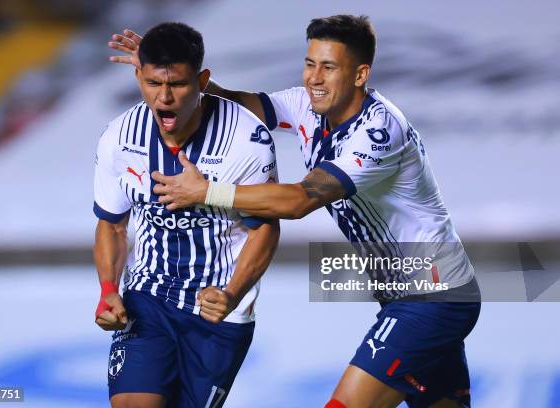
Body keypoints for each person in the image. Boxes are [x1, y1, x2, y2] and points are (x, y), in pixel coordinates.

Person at [108, 15, 480, 408]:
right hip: (410, 293)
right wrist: (169, 75)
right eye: (310, 64)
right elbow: (238, 104)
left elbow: (302, 200)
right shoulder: (308, 105)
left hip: (432, 294)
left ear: (360, 74)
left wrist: (207, 191)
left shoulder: (378, 131)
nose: (314, 78)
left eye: (329, 67)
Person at [95, 22, 279, 408]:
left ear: (202, 80)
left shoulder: (246, 140)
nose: (163, 98)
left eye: (177, 85)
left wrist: (232, 294)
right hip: (149, 298)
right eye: (152, 84)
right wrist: (109, 290)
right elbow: (113, 224)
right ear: (138, 76)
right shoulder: (119, 137)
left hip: (218, 313)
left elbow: (264, 229)